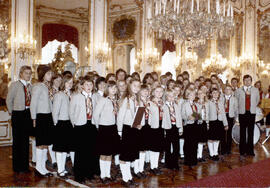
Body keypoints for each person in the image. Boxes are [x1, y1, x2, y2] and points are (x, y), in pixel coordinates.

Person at [69, 76, 100, 183]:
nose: (89, 87)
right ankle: (79, 175)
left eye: (91, 84)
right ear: (82, 86)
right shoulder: (76, 97)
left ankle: (90, 173)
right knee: (81, 152)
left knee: (91, 150)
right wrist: (75, 124)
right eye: (86, 84)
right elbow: (71, 112)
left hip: (92, 125)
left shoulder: (96, 97)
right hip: (80, 126)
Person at [6, 66, 33, 173]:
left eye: (30, 73)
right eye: (26, 73)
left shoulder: (30, 86)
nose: (29, 75)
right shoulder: (15, 85)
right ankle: (17, 167)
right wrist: (12, 113)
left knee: (26, 142)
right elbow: (9, 100)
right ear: (21, 74)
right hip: (18, 114)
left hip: (27, 114)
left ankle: (25, 166)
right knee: (18, 141)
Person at [117, 79, 143, 186]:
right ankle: (125, 178)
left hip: (134, 129)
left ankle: (129, 176)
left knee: (130, 155)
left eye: (138, 86)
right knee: (125, 155)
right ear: (129, 85)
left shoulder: (137, 99)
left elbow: (137, 115)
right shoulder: (126, 99)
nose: (136, 88)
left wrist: (139, 124)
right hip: (126, 129)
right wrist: (119, 130)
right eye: (134, 85)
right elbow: (120, 117)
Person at [93, 81, 120, 184]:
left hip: (112, 127)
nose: (114, 90)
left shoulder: (114, 100)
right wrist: (98, 127)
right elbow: (96, 115)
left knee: (110, 153)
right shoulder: (103, 100)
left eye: (115, 88)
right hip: (104, 128)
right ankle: (102, 175)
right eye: (111, 88)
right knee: (104, 153)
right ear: (107, 89)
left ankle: (108, 174)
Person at [30, 65, 54, 177]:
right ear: (42, 74)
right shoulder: (38, 86)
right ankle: (38, 168)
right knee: (40, 144)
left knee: (45, 143)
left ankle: (43, 167)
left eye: (51, 73)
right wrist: (33, 118)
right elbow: (33, 103)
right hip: (40, 117)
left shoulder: (47, 86)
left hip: (48, 116)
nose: (51, 75)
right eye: (48, 73)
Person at [52, 74, 74, 178]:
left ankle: (63, 168)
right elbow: (55, 111)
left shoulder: (72, 94)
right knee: (60, 148)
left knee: (65, 148)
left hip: (69, 123)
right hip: (61, 123)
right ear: (63, 83)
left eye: (71, 82)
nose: (70, 84)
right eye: (68, 82)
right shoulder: (59, 94)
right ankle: (60, 169)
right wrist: (56, 124)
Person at [235, 75, 260, 158]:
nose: (247, 82)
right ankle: (242, 150)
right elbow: (236, 102)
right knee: (242, 132)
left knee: (250, 132)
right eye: (245, 80)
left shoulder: (255, 90)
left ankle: (250, 150)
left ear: (251, 81)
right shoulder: (239, 90)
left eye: (249, 80)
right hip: (242, 113)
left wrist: (251, 107)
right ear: (243, 81)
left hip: (251, 113)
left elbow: (257, 100)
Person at [163, 89, 183, 170]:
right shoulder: (164, 106)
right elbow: (163, 119)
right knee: (168, 146)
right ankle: (168, 163)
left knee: (176, 146)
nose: (171, 98)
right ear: (166, 97)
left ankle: (175, 163)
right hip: (167, 128)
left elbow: (179, 117)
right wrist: (164, 129)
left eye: (173, 96)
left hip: (175, 127)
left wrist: (180, 128)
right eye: (169, 96)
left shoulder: (176, 106)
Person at [208, 88, 228, 161]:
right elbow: (207, 113)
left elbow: (223, 114)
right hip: (212, 121)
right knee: (211, 138)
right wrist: (207, 123)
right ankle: (211, 153)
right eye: (213, 93)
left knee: (217, 138)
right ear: (211, 94)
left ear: (219, 94)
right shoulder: (209, 102)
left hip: (219, 121)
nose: (215, 94)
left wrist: (225, 124)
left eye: (217, 93)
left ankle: (215, 153)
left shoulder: (220, 102)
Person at [148, 86, 165, 175]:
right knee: (153, 147)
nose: (159, 93)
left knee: (158, 147)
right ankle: (152, 166)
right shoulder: (150, 103)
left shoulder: (162, 103)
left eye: (161, 91)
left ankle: (156, 165)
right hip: (153, 127)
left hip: (161, 126)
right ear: (153, 92)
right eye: (157, 91)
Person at [181, 88, 199, 167]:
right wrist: (188, 118)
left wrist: (196, 116)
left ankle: (194, 160)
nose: (193, 96)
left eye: (194, 95)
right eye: (191, 95)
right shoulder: (185, 104)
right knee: (188, 143)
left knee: (194, 143)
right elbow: (182, 115)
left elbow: (198, 114)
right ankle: (188, 160)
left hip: (195, 125)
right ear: (187, 96)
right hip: (188, 126)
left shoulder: (196, 104)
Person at [220, 85, 238, 155]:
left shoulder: (234, 99)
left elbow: (236, 109)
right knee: (222, 133)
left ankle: (228, 149)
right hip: (222, 116)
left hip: (230, 116)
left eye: (229, 89)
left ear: (231, 91)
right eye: (226, 89)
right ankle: (223, 149)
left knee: (229, 133)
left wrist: (236, 118)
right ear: (224, 90)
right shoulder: (221, 98)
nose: (228, 91)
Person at [196, 89, 209, 162]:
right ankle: (197, 155)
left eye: (202, 93)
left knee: (202, 140)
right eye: (199, 93)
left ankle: (200, 155)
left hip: (204, 122)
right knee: (198, 139)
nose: (201, 95)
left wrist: (207, 122)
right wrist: (198, 118)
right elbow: (194, 113)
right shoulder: (196, 103)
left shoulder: (207, 103)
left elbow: (208, 113)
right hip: (198, 122)